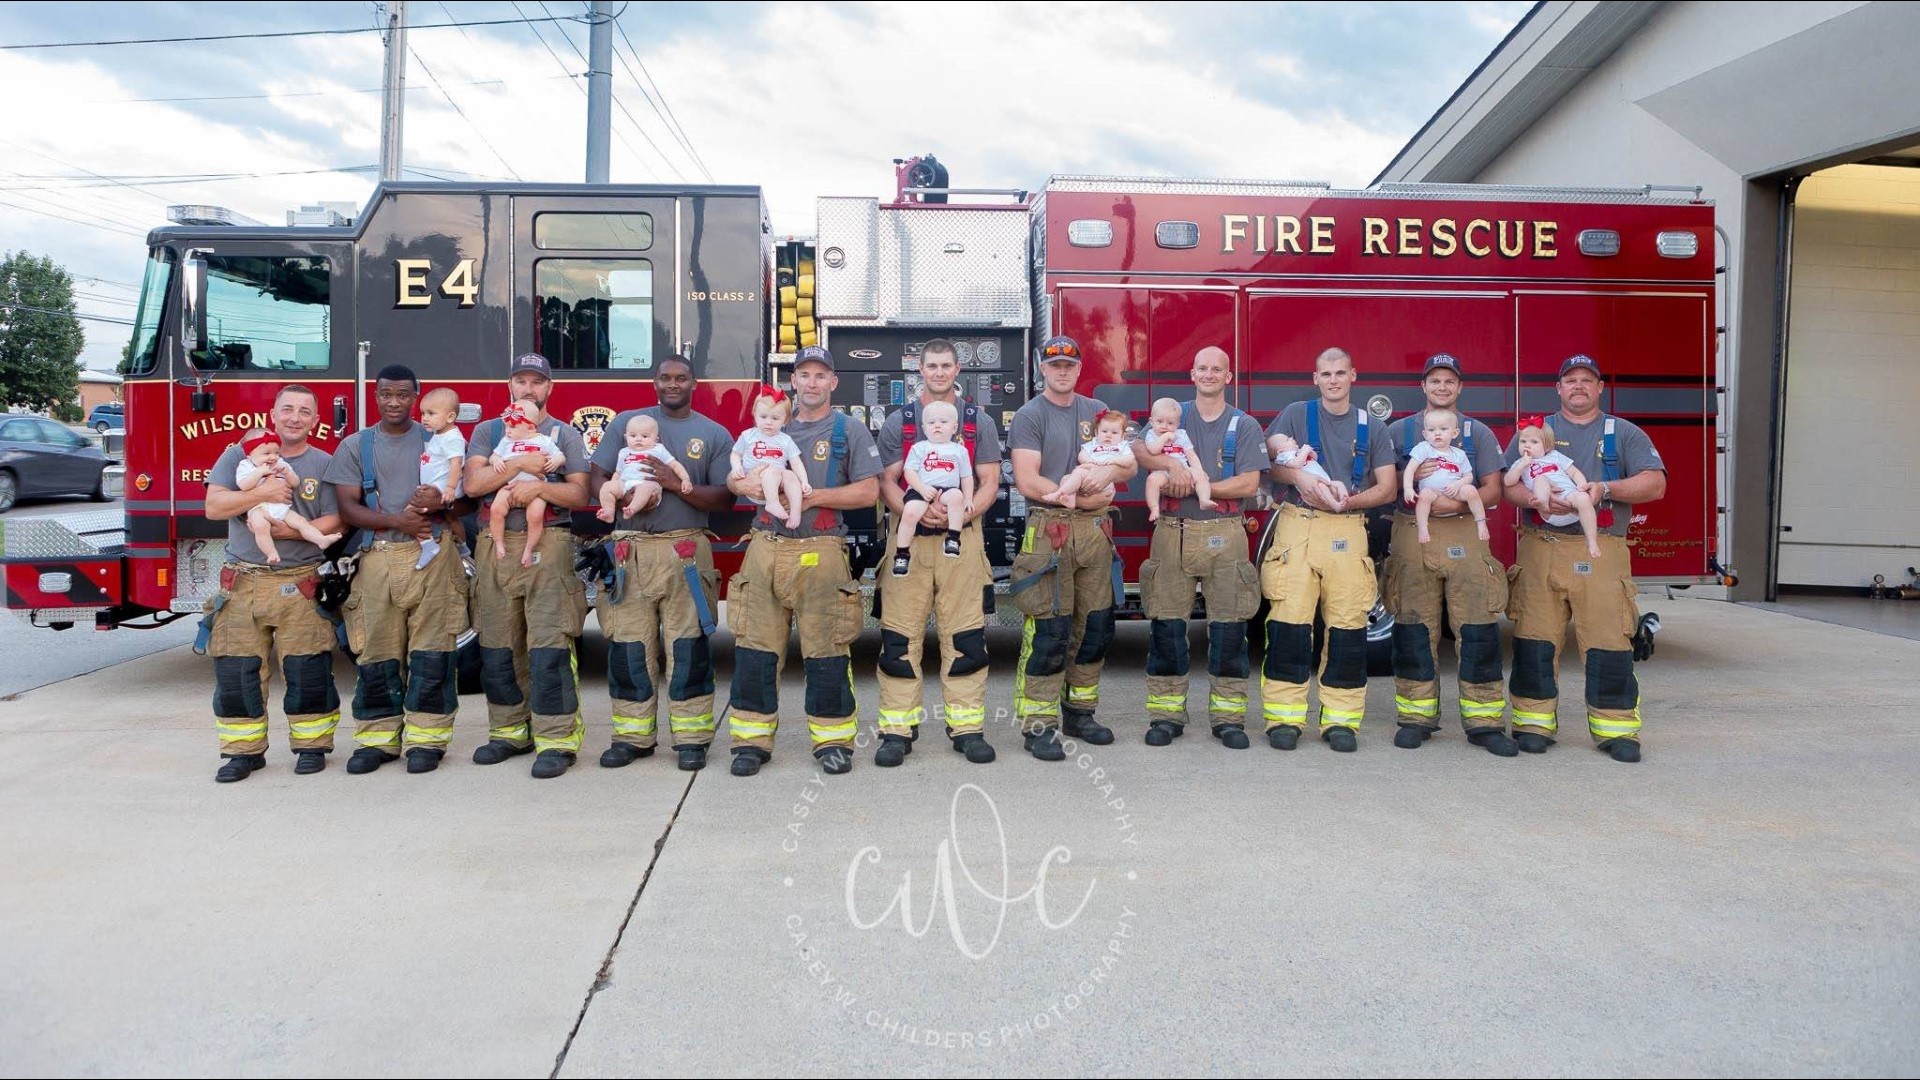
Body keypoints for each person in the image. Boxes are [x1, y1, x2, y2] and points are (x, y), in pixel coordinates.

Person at [723, 345, 882, 777]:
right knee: (754, 647)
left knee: (826, 649)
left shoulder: (849, 431)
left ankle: (832, 741)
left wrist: (813, 496)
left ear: (833, 382)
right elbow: (732, 478)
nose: (811, 382)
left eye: (820, 375)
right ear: (793, 381)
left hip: (822, 548)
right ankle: (750, 743)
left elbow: (869, 493)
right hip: (765, 546)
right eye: (803, 375)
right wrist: (741, 483)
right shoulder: (768, 426)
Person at [1504, 354, 1666, 763]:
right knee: (1534, 640)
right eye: (1570, 380)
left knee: (1609, 640)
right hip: (1542, 546)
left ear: (1599, 388)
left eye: (1586, 380)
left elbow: (1655, 483)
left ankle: (1616, 727)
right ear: (1558, 389)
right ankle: (1532, 723)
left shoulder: (1623, 433)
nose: (1578, 386)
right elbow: (1506, 486)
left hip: (1602, 548)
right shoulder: (1534, 431)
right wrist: (1540, 499)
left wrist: (1604, 489)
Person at [588, 355, 736, 772]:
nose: (672, 384)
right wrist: (615, 495)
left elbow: (724, 499)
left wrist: (672, 485)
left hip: (684, 552)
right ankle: (632, 738)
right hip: (628, 552)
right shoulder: (626, 424)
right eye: (665, 378)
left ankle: (691, 739)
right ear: (655, 383)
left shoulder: (713, 433)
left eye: (681, 378)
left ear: (694, 383)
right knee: (629, 646)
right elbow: (597, 475)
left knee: (688, 648)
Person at [323, 365, 470, 775]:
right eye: (386, 394)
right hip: (378, 558)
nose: (394, 402)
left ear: (416, 397)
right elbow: (348, 508)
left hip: (434, 557)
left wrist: (442, 505)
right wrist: (397, 521)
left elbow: (468, 500)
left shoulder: (441, 438)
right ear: (376, 396)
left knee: (433, 649)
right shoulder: (356, 445)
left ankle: (428, 740)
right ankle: (377, 740)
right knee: (376, 650)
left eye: (403, 395)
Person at [202, 385, 344, 782]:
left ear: (316, 421)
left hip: (302, 583)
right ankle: (242, 753)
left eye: (304, 411)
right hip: (243, 582)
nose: (294, 417)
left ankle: (312, 746)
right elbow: (214, 507)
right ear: (273, 414)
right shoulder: (237, 455)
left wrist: (290, 533)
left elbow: (337, 520)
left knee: (309, 670)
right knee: (236, 672)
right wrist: (262, 493)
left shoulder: (324, 463)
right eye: (287, 409)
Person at [1260, 347, 1398, 752]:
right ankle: (1283, 719)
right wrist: (1301, 477)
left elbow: (1387, 487)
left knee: (1348, 630)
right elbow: (1269, 464)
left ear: (1353, 375)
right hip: (1297, 528)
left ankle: (1341, 720)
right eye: (1326, 374)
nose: (1333, 380)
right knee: (1288, 625)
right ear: (1315, 378)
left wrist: (1347, 502)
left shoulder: (1373, 427)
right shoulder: (1294, 414)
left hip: (1347, 528)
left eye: (1340, 373)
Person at [1132, 346, 1270, 750]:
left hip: (1224, 531)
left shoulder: (1244, 425)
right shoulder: (1173, 413)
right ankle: (1165, 715)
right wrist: (1168, 467)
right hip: (1171, 531)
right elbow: (1139, 449)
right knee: (1166, 626)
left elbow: (1248, 484)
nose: (1209, 374)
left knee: (1229, 629)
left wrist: (1193, 483)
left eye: (1217, 369)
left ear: (1229, 377)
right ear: (1192, 374)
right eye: (1202, 368)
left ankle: (1228, 719)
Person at [873, 338, 1002, 768]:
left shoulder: (977, 421)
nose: (939, 372)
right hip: (909, 539)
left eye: (946, 365)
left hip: (960, 541)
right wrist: (914, 509)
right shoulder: (900, 421)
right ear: (919, 369)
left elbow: (989, 481)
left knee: (965, 636)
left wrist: (963, 513)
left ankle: (967, 730)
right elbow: (888, 480)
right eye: (932, 365)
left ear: (958, 369)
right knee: (898, 638)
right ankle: (896, 730)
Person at [463, 352, 592, 779]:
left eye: (537, 382)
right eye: (520, 381)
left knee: (549, 643)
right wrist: (519, 465)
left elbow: (579, 495)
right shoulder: (487, 431)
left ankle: (556, 739)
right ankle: (508, 732)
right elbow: (473, 485)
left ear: (550, 389)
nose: (528, 389)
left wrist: (539, 486)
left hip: (549, 542)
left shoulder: (564, 435)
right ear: (509, 386)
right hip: (496, 545)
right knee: (498, 644)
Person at [1007, 335, 1135, 759]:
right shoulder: (1030, 415)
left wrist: (1111, 472)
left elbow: (1130, 461)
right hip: (1050, 528)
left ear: (1079, 369)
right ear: (1042, 369)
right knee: (1049, 631)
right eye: (1054, 364)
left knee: (1095, 628)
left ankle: (1080, 712)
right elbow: (1027, 480)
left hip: (1095, 534)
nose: (1062, 371)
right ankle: (1038, 725)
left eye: (1069, 364)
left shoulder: (1097, 412)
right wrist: (1080, 497)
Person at [1381, 353, 1514, 755]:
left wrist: (1457, 505)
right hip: (1412, 535)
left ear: (1460, 387)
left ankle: (1485, 722)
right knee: (1413, 627)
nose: (1442, 387)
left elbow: (1495, 487)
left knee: (1477, 628)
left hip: (1465, 537)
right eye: (1434, 381)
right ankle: (1416, 718)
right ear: (1423, 386)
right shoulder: (1399, 431)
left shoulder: (1479, 434)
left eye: (1449, 381)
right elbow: (1383, 483)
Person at [233, 429, 342, 562]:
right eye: (266, 453)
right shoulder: (246, 466)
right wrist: (259, 473)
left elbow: (295, 483)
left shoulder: (280, 464)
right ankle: (271, 553)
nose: (272, 457)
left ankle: (321, 540)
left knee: (301, 522)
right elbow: (244, 485)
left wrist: (288, 473)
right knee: (261, 527)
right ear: (250, 455)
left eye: (276, 453)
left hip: (281, 508)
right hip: (259, 509)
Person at [891, 399, 973, 574]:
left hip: (948, 489)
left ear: (954, 427)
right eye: (931, 422)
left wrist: (968, 498)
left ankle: (953, 538)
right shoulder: (919, 448)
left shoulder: (960, 450)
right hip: (921, 489)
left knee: (957, 498)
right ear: (923, 427)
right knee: (910, 512)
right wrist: (921, 488)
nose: (937, 426)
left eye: (943, 422)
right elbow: (909, 472)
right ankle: (902, 554)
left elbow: (966, 476)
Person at [487, 401, 567, 567]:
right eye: (506, 426)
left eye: (513, 427)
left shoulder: (543, 441)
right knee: (496, 510)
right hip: (510, 486)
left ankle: (529, 550)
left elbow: (560, 456)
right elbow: (493, 456)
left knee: (535, 517)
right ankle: (499, 543)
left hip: (536, 488)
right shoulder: (506, 441)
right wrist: (495, 461)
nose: (507, 430)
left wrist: (555, 460)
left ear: (531, 428)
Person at [1506, 418, 1601, 558]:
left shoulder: (1555, 456)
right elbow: (1508, 482)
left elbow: (1574, 472)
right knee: (1540, 478)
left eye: (1534, 442)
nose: (1527, 446)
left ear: (1547, 446)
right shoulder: (1519, 463)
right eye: (1523, 441)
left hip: (1569, 499)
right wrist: (1522, 465)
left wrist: (1582, 486)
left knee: (1584, 498)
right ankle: (1542, 503)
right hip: (1548, 509)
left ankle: (1592, 541)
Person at [1403, 408, 1489, 544]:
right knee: (1424, 495)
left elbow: (1468, 476)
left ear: (1454, 433)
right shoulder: (1424, 448)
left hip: (1453, 491)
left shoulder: (1459, 454)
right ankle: (1423, 528)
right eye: (1431, 430)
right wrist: (1408, 488)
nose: (1437, 433)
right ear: (1425, 434)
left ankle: (1481, 523)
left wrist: (1458, 485)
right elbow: (1410, 470)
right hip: (1433, 492)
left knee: (1471, 490)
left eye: (1443, 429)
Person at [730, 388, 810, 529]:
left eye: (775, 418)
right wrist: (736, 467)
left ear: (785, 420)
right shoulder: (748, 435)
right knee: (772, 470)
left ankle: (795, 512)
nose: (768, 422)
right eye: (763, 417)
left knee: (790, 475)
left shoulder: (786, 440)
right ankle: (771, 503)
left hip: (777, 484)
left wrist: (804, 482)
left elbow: (796, 462)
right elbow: (736, 453)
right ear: (754, 414)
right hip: (755, 484)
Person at [597, 413, 693, 523]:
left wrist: (685, 479)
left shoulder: (658, 449)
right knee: (606, 486)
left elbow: (675, 465)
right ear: (626, 437)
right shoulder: (624, 452)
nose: (638, 439)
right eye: (633, 436)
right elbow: (618, 472)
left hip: (649, 485)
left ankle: (632, 509)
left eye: (645, 436)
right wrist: (614, 484)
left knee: (645, 488)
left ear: (656, 440)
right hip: (626, 484)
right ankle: (609, 512)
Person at [1139, 397, 1216, 523]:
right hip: (1162, 472)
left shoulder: (1181, 435)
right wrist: (1164, 438)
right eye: (1160, 421)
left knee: (1200, 476)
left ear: (1177, 424)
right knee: (1151, 481)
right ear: (1151, 422)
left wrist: (1199, 470)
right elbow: (1153, 450)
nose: (1165, 426)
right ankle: (1154, 508)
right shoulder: (1151, 434)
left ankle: (1204, 500)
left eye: (1170, 423)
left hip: (1184, 469)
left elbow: (1191, 455)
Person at [415, 386, 467, 569]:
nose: (425, 418)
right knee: (451, 518)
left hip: (443, 486)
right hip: (438, 485)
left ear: (450, 417)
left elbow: (456, 464)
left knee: (412, 511)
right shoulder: (440, 434)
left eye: (431, 413)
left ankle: (428, 545)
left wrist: (450, 489)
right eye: (423, 413)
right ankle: (463, 548)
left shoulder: (452, 438)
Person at [1041, 409, 1132, 508]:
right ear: (1096, 433)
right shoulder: (1093, 444)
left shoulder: (1121, 447)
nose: (1108, 435)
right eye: (1104, 431)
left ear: (1122, 436)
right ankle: (1070, 500)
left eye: (1114, 433)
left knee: (1078, 473)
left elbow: (1129, 460)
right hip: (1087, 474)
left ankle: (1058, 494)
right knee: (1066, 478)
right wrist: (1088, 460)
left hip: (1104, 483)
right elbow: (1082, 454)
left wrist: (1115, 460)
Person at [1266, 434, 1348, 510]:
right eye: (1287, 440)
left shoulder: (1298, 451)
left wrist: (1310, 452)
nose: (1291, 438)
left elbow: (1315, 458)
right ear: (1280, 451)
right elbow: (1295, 464)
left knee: (1339, 484)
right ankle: (1335, 505)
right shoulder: (1285, 456)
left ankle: (1344, 499)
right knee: (1323, 488)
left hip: (1324, 480)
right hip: (1314, 485)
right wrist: (1304, 452)